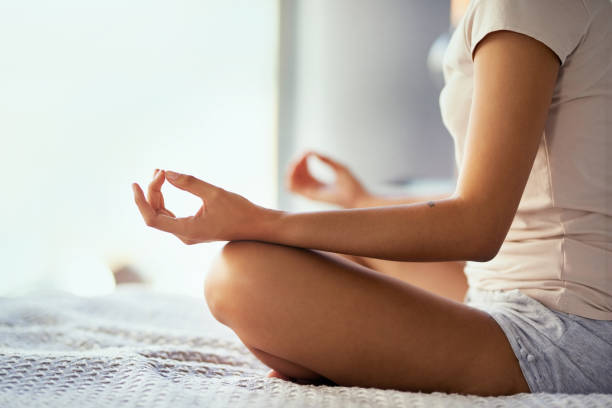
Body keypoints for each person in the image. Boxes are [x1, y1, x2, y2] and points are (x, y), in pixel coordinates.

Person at [132, 0, 612, 396]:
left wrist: (260, 221)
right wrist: (360, 199)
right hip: (505, 290)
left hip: (563, 334)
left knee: (239, 274)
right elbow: (518, 194)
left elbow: (477, 227)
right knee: (329, 253)